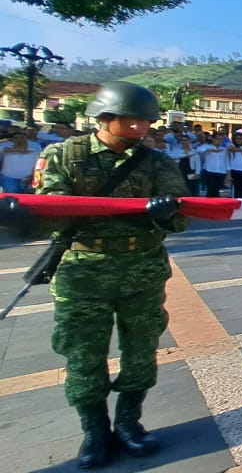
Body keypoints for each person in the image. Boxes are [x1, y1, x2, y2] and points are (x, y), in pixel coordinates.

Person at [33, 82, 189, 468]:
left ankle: (129, 423)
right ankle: (94, 431)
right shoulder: (65, 155)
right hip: (84, 272)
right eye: (131, 119)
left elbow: (181, 218)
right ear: (105, 117)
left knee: (140, 353)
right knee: (83, 355)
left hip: (141, 271)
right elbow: (48, 208)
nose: (140, 127)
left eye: (145, 121)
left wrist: (166, 211)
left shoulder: (157, 163)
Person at [197, 132, 228, 198]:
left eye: (221, 139)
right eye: (217, 139)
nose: (219, 141)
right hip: (209, 171)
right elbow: (199, 150)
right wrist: (210, 150)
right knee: (210, 190)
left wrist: (227, 173)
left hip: (221, 172)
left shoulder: (224, 149)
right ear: (213, 139)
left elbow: (227, 161)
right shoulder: (207, 146)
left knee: (217, 191)